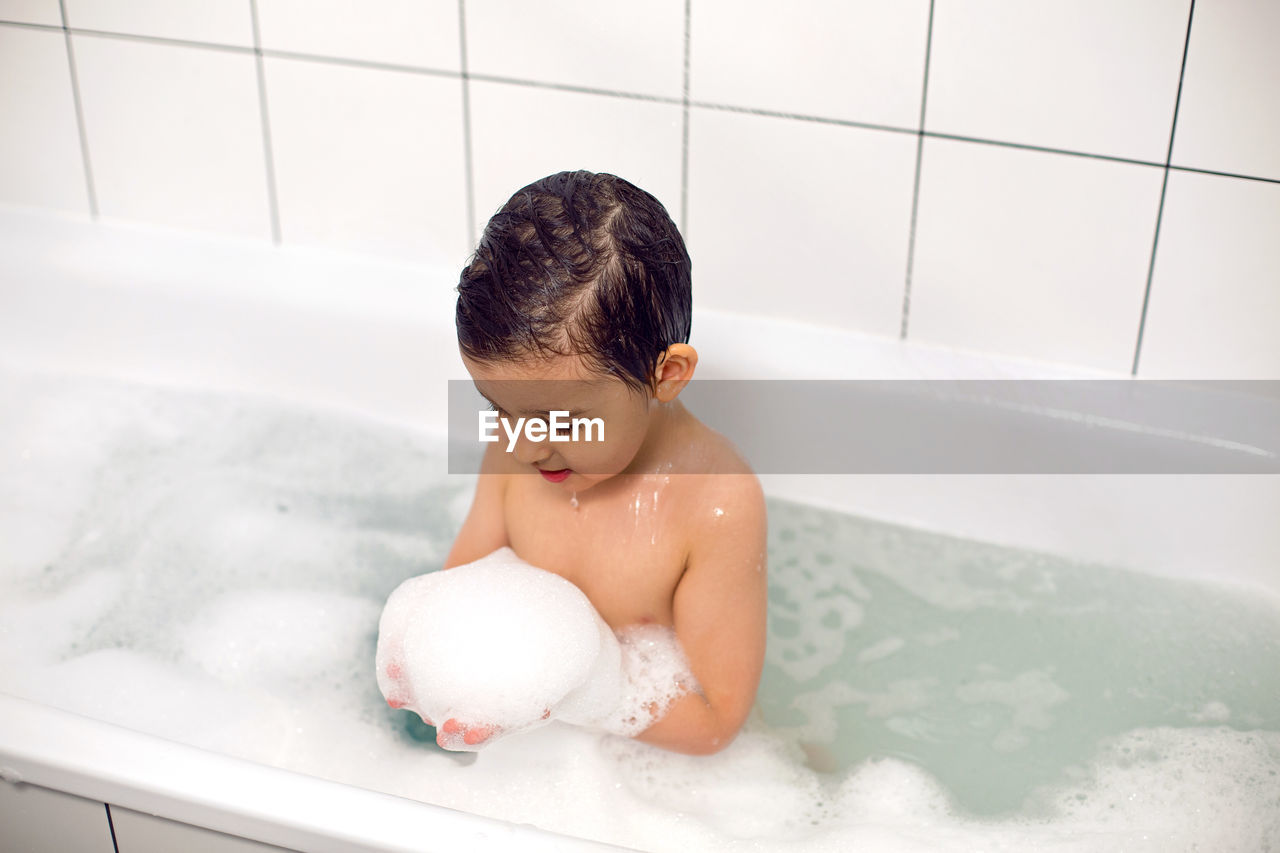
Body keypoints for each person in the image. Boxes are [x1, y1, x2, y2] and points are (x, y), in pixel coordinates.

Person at [438, 171, 766, 755]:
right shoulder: (525, 435)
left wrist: (573, 689)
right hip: (533, 757)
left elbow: (715, 720)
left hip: (644, 772)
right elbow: (455, 593)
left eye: (559, 420)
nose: (522, 447)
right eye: (497, 408)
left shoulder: (715, 503)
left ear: (663, 375)